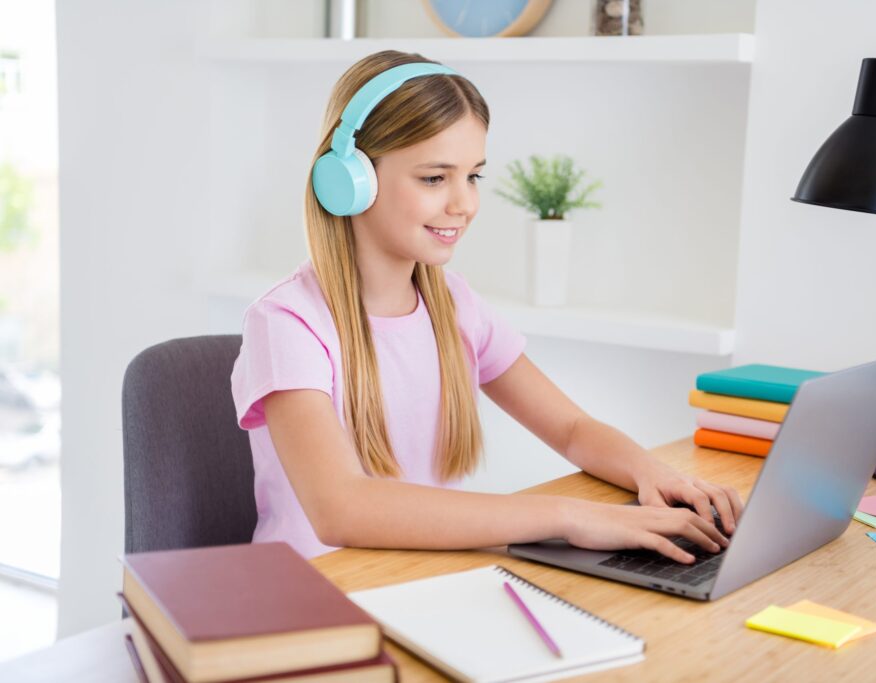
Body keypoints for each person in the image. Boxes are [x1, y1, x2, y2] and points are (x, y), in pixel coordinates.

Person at [230, 49, 743, 563]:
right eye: (435, 178)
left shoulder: (453, 305)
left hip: (423, 581)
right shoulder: (287, 323)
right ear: (347, 182)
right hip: (316, 602)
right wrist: (568, 516)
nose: (464, 204)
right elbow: (341, 509)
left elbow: (571, 429)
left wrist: (655, 474)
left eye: (473, 176)